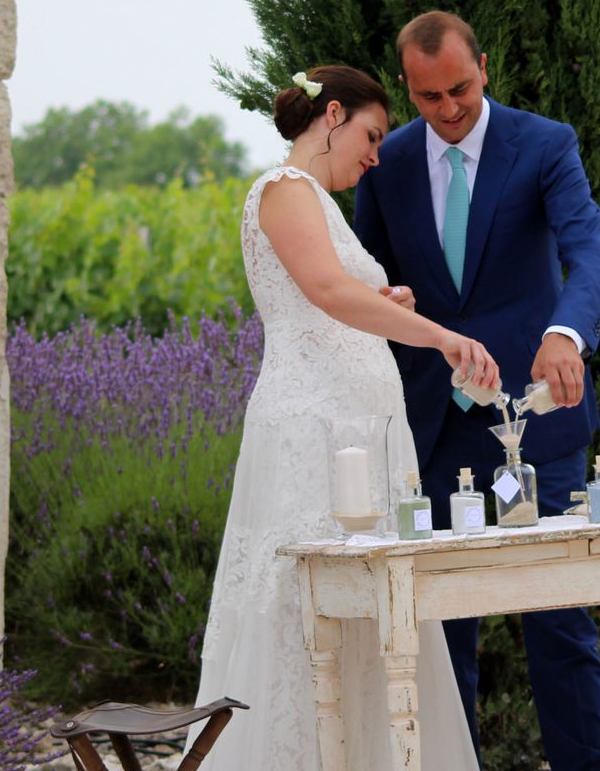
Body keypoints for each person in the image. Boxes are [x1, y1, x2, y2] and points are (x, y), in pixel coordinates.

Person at [189, 64, 499, 770]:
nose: (375, 153)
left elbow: (336, 294)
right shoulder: (285, 188)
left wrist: (386, 298)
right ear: (332, 115)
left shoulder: (319, 204)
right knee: (312, 611)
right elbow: (325, 291)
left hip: (357, 432)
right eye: (371, 133)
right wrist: (441, 336)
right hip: (314, 434)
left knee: (372, 609)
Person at [354, 12, 600, 771]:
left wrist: (565, 335)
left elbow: (590, 253)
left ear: (485, 68)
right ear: (408, 87)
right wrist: (393, 305)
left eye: (460, 90)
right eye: (426, 96)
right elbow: (371, 277)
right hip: (431, 430)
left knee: (561, 627)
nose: (446, 110)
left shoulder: (544, 145)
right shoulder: (390, 161)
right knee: (440, 646)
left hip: (539, 421)